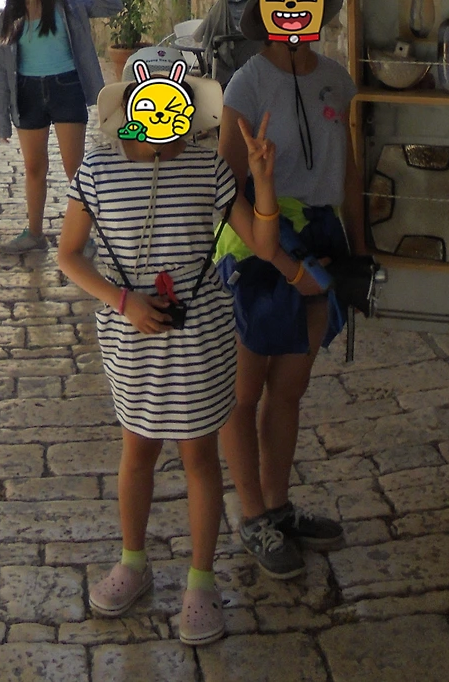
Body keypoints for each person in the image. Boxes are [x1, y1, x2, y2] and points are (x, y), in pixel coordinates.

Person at [58, 62, 280, 646]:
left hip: (200, 331)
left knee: (199, 457)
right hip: (130, 334)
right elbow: (69, 255)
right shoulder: (97, 170)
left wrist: (262, 180)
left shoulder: (209, 168)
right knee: (137, 451)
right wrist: (121, 301)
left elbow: (260, 243)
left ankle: (200, 581)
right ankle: (133, 562)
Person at [216, 0, 365, 580]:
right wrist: (266, 247)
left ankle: (277, 508)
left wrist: (359, 246)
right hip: (261, 243)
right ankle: (251, 514)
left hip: (322, 239)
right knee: (244, 389)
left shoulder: (337, 80)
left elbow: (348, 167)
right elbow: (224, 179)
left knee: (291, 386)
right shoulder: (247, 83)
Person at [0, 0, 122, 256]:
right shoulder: (10, 15)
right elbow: (0, 70)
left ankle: (84, 238)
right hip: (27, 93)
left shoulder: (71, 3)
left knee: (74, 168)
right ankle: (34, 233)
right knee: (34, 167)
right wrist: (1, 120)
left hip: (67, 88)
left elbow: (112, 6)